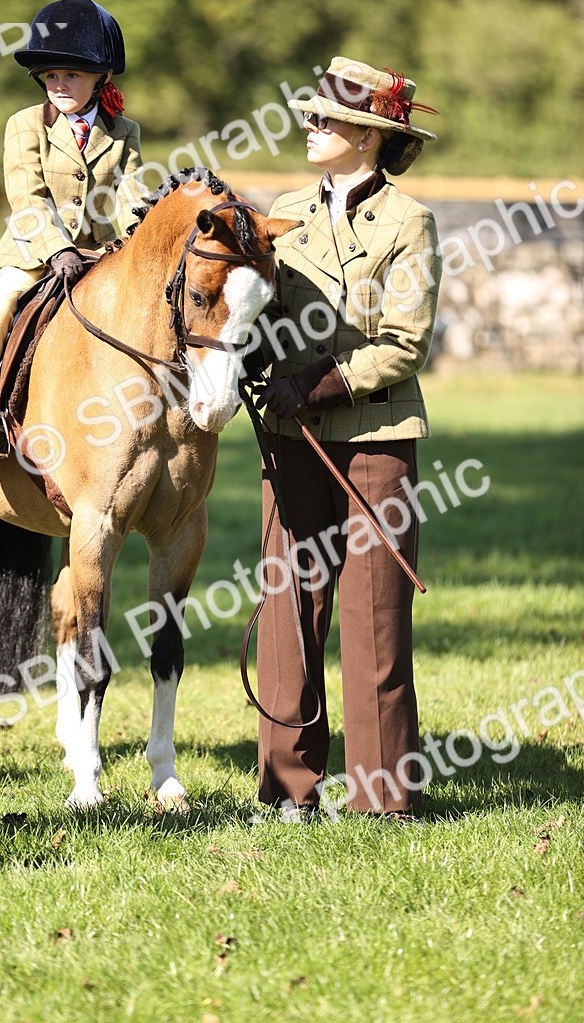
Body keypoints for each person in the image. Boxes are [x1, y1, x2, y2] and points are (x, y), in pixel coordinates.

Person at [249, 56, 442, 822]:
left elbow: (405, 342)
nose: (311, 127)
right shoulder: (284, 209)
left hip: (376, 437)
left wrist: (317, 383)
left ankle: (381, 798)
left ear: (369, 137)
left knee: (374, 619)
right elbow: (254, 313)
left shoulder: (409, 221)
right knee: (288, 608)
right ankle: (286, 789)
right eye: (311, 116)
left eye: (326, 120)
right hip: (286, 435)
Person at [0, 0, 144, 460]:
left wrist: (135, 242)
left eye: (72, 75)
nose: (60, 85)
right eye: (52, 76)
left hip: (102, 256)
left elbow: (131, 195)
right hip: (33, 252)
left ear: (101, 77)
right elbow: (27, 198)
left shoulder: (124, 132)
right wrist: (57, 249)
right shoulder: (25, 125)